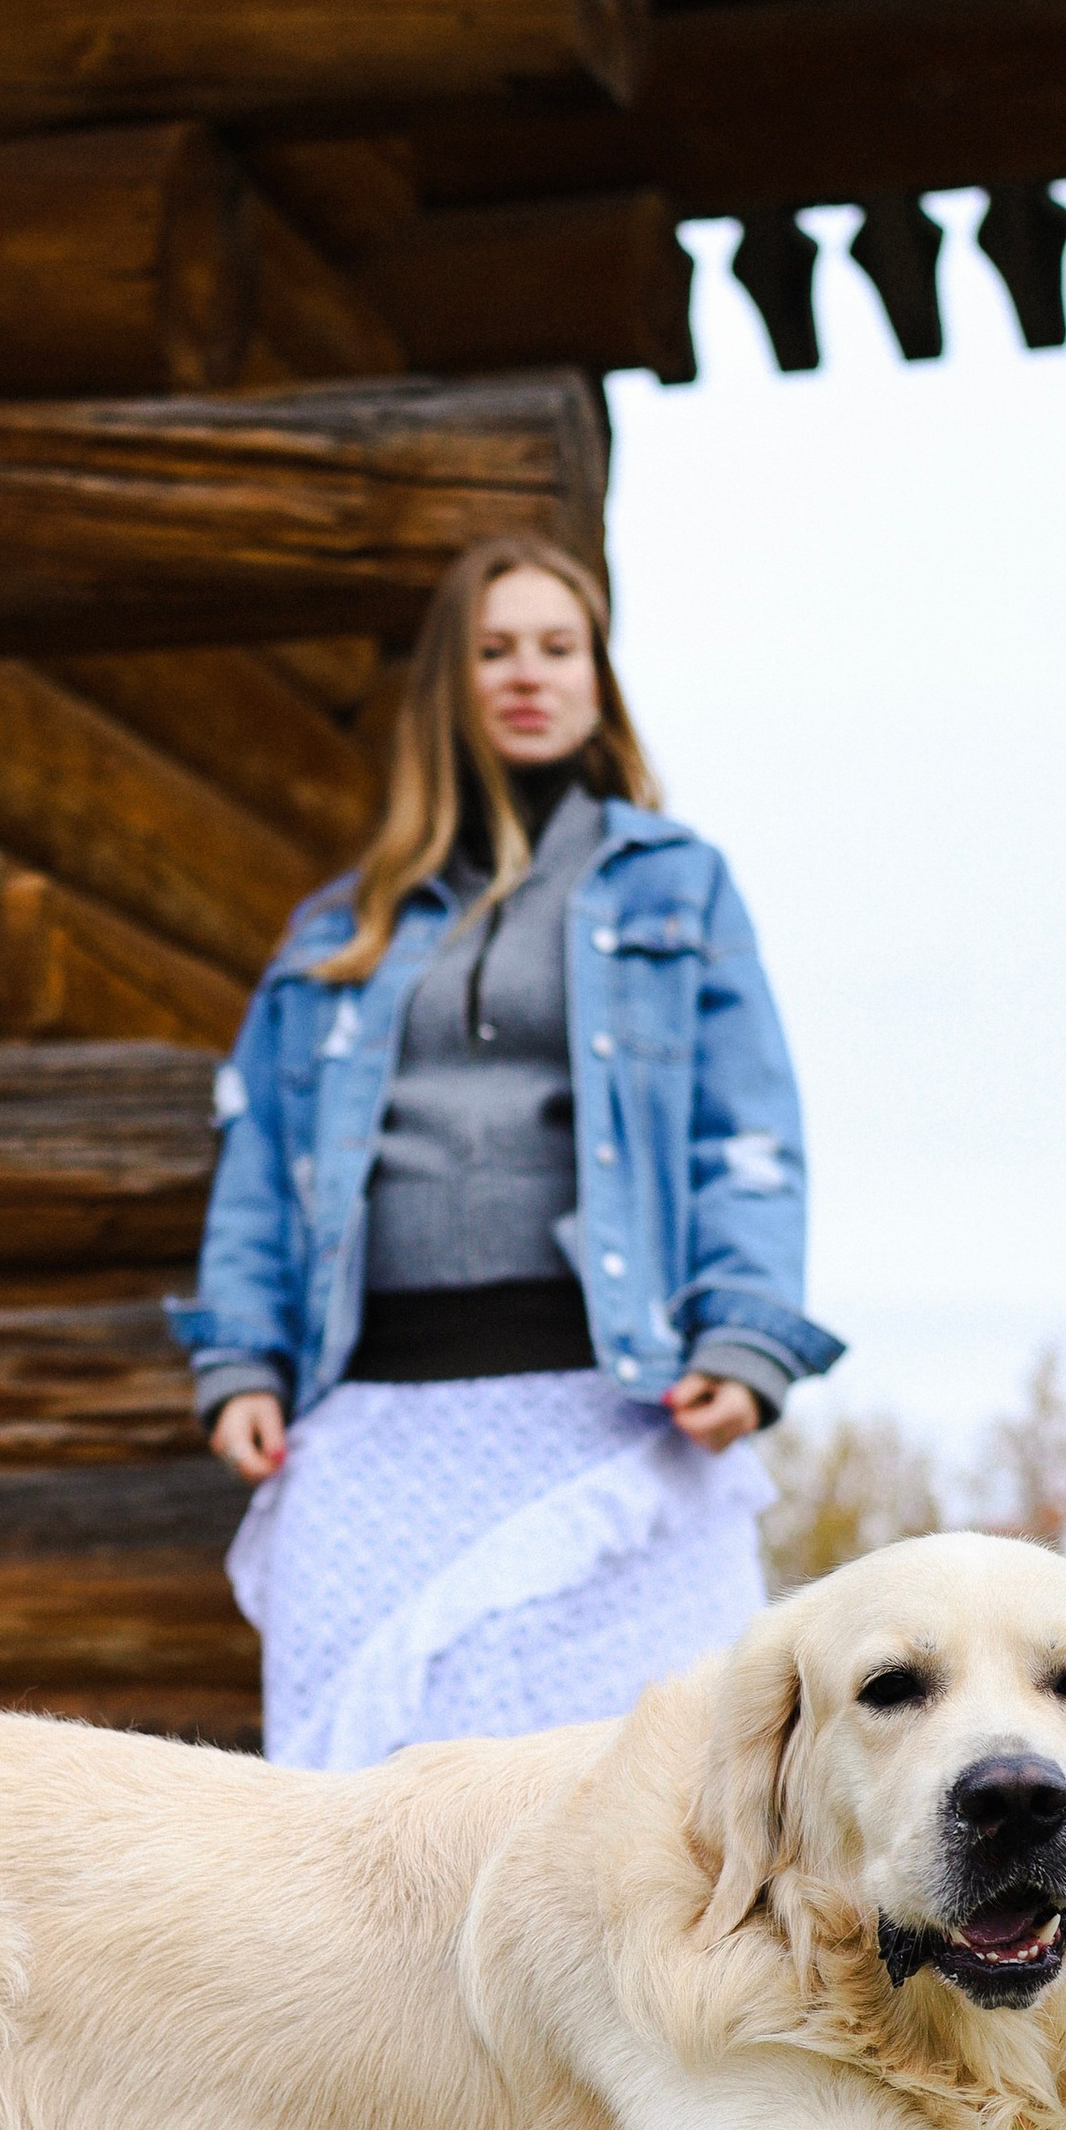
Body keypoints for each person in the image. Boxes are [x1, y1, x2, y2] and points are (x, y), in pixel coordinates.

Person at [171, 534, 841, 1768]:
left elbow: (744, 1134)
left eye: (557, 648)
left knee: (643, 1799)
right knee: (360, 1824)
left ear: (597, 681)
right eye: (494, 651)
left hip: (612, 1413)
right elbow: (259, 1157)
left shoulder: (675, 888)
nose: (528, 674)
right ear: (450, 687)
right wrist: (241, 1359)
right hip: (375, 1424)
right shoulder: (335, 929)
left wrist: (746, 1338)